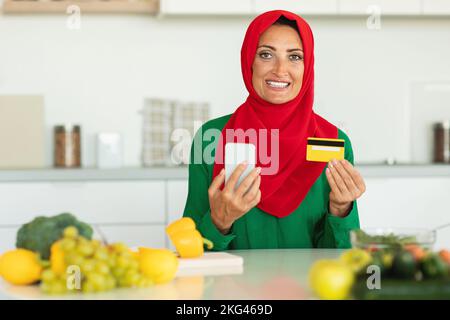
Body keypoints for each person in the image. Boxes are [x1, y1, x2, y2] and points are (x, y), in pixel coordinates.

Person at [182, 10, 366, 250]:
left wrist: (341, 210)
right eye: (266, 54)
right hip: (231, 287)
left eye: (295, 57)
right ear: (249, 60)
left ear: (307, 66)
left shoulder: (329, 141)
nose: (280, 70)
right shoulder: (211, 138)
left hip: (309, 286)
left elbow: (341, 257)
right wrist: (219, 221)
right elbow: (190, 252)